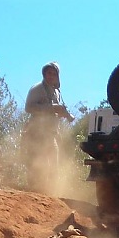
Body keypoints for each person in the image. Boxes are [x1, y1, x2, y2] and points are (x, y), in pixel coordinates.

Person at [22, 62, 74, 193]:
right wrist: (52, 108)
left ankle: (49, 194)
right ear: (44, 74)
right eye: (48, 73)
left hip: (51, 134)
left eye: (54, 73)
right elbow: (28, 108)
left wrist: (62, 113)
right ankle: (34, 193)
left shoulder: (56, 92)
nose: (51, 76)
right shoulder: (37, 88)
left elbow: (54, 113)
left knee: (53, 167)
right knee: (36, 165)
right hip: (36, 133)